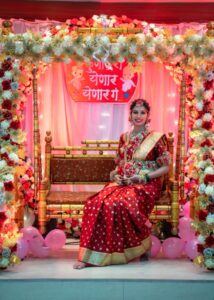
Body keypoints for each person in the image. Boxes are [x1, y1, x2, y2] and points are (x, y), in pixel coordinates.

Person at [73, 99, 170, 269]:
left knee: (117, 203)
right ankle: (90, 255)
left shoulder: (156, 138)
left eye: (142, 113)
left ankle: (122, 249)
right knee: (94, 203)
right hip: (123, 182)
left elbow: (165, 167)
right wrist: (116, 174)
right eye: (135, 112)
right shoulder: (124, 137)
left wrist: (143, 178)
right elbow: (119, 164)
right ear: (130, 116)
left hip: (146, 184)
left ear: (148, 116)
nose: (138, 116)